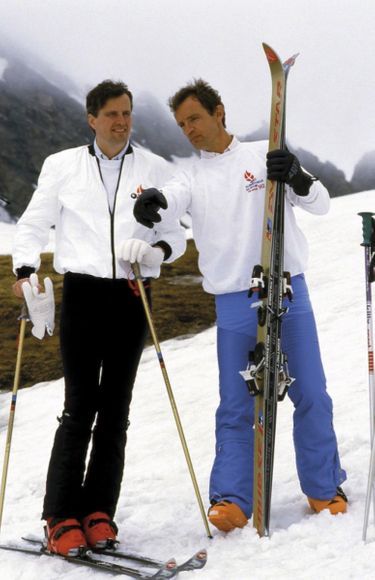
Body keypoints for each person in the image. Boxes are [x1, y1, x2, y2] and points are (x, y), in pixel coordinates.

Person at [132, 79, 347, 533]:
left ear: (219, 112)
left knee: (310, 390)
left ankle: (324, 488)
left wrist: (297, 177)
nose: (188, 129)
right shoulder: (188, 175)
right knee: (236, 402)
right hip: (233, 299)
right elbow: (171, 200)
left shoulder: (265, 155)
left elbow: (322, 204)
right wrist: (155, 203)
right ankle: (232, 499)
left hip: (288, 290)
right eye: (181, 123)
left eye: (195, 118)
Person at [12, 80, 186, 555]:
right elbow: (33, 221)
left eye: (127, 113)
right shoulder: (63, 165)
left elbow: (177, 237)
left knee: (116, 411)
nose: (121, 122)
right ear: (91, 118)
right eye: (111, 114)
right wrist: (25, 272)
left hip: (133, 294)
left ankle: (98, 512)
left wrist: (157, 251)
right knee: (79, 408)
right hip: (85, 294)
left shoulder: (155, 169)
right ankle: (60, 516)